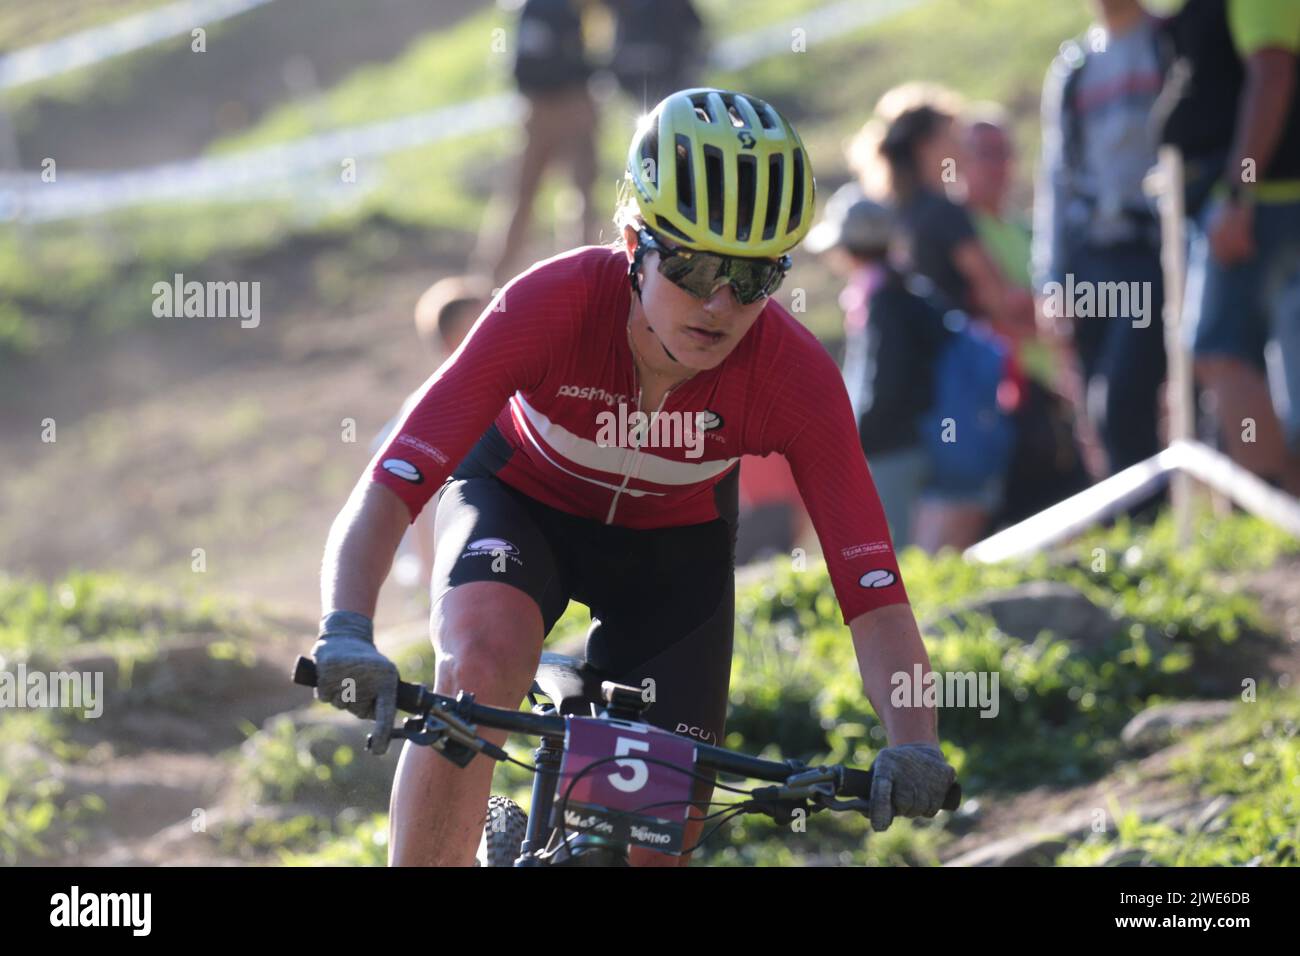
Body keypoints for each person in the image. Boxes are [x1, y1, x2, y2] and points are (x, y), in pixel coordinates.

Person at [310, 87, 957, 867]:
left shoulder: (792, 376)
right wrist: (346, 627)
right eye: (692, 265)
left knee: (656, 842)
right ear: (632, 241)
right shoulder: (548, 305)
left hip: (671, 553)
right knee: (481, 669)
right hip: (520, 503)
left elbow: (874, 592)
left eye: (753, 279)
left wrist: (914, 742)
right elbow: (393, 480)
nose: (720, 303)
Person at [1158, 0, 1300, 495]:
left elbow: (1273, 75)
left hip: (1265, 204)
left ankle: (1277, 507)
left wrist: (1239, 192)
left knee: (1219, 347)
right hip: (1252, 202)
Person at [1033, 0, 1169, 482]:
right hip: (1091, 256)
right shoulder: (1074, 67)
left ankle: (1151, 516)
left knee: (1124, 396)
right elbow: (1055, 178)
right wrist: (1050, 279)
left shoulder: (1165, 44)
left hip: (1153, 249)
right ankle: (1130, 529)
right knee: (1095, 402)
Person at [369, 276, 491, 594]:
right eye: (482, 325)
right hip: (442, 566)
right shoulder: (430, 407)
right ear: (453, 340)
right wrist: (435, 584)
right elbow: (416, 504)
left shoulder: (497, 395)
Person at [476, 0, 601, 289]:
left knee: (575, 195)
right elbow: (530, 67)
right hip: (556, 105)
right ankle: (492, 282)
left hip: (554, 105)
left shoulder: (548, 8)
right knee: (533, 196)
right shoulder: (543, 8)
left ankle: (582, 275)